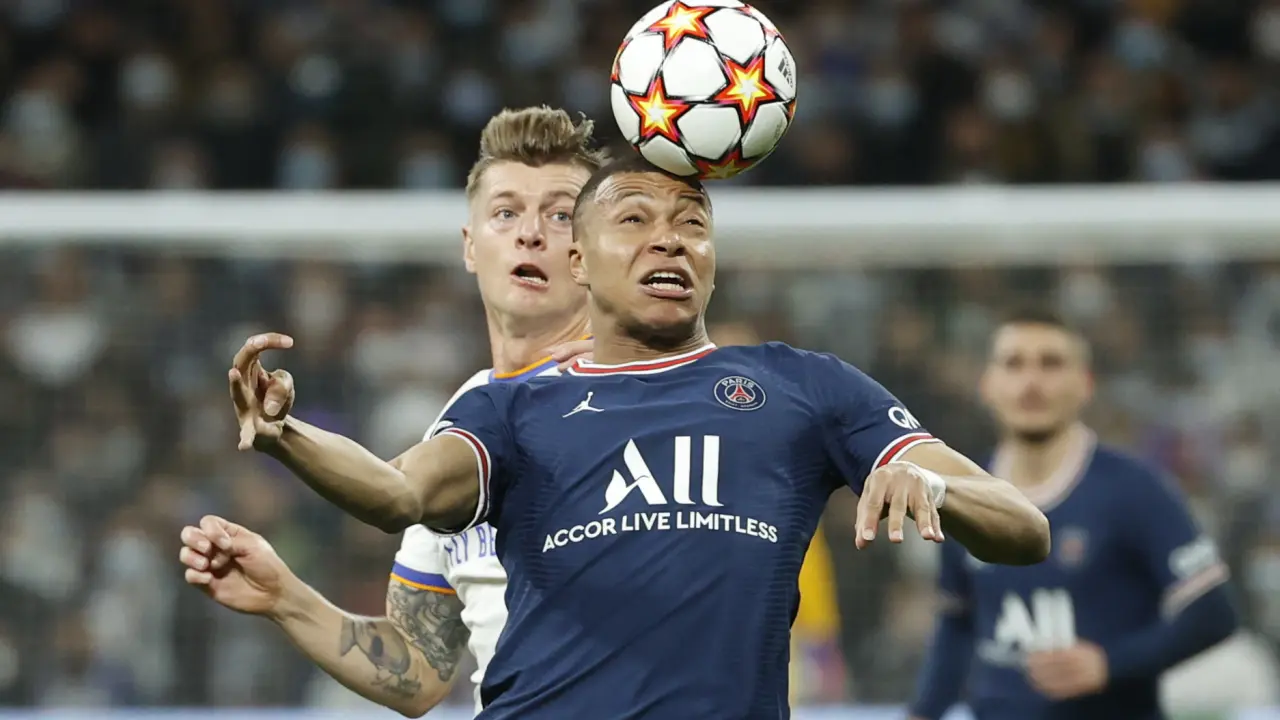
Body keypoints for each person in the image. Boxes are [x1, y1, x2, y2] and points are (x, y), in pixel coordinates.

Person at [212, 157, 1050, 718]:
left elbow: (1023, 526)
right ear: (579, 260)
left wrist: (937, 488)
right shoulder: (511, 409)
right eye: (635, 219)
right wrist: (286, 436)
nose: (668, 238)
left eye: (691, 222)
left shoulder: (803, 387)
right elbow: (396, 493)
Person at [177, 106, 604, 717]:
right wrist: (286, 597)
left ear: (595, 249)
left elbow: (395, 494)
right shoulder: (467, 413)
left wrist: (283, 435)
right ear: (470, 246)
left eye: (560, 215)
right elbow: (422, 666)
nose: (530, 233)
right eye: (506, 213)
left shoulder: (639, 394)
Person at [907, 309, 1239, 720]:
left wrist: (1110, 663)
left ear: (1085, 384)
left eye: (1050, 363)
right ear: (987, 384)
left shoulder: (1133, 489)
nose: (1031, 382)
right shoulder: (963, 492)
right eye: (1014, 364)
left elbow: (1213, 611)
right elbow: (957, 622)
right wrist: (922, 713)